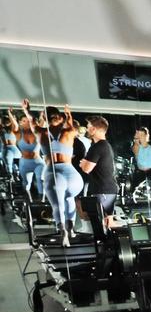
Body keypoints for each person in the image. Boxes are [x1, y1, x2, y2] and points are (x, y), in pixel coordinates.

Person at [40, 104, 85, 245]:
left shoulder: (42, 133)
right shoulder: (70, 131)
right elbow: (70, 122)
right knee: (69, 199)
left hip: (54, 172)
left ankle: (63, 231)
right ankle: (70, 228)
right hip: (72, 175)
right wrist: (68, 114)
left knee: (57, 205)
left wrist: (28, 112)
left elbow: (35, 123)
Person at [79, 115, 118, 229]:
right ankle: (111, 244)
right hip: (106, 189)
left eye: (88, 126)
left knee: (106, 223)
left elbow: (86, 168)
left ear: (94, 129)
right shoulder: (104, 145)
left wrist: (83, 163)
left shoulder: (98, 146)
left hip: (103, 190)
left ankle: (112, 244)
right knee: (107, 222)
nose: (87, 129)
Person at [11, 101, 45, 200]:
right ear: (21, 123)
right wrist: (11, 115)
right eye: (24, 121)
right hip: (25, 163)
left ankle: (42, 202)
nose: (28, 123)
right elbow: (14, 124)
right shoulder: (18, 133)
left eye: (29, 121)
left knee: (40, 179)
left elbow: (40, 122)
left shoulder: (37, 131)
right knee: (26, 184)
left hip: (38, 161)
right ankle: (29, 202)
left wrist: (28, 110)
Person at [131, 127, 151, 204]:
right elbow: (135, 146)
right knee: (134, 186)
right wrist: (136, 137)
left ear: (146, 136)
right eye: (139, 135)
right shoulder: (136, 147)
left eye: (142, 135)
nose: (141, 137)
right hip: (140, 171)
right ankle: (132, 199)